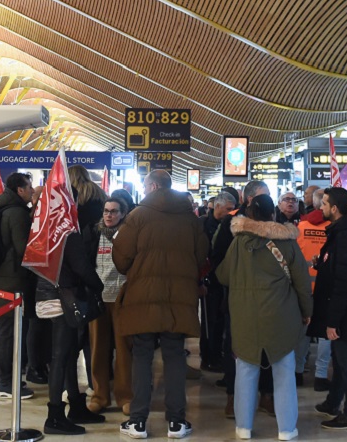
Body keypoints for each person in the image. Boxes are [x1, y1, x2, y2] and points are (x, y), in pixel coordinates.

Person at [113, 170, 209, 440]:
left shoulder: (137, 217)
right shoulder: (190, 219)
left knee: (142, 356)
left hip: (142, 298)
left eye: (145, 187)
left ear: (153, 186)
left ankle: (138, 422)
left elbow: (121, 259)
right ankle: (177, 423)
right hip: (179, 298)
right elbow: (201, 254)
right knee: (175, 356)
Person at [217, 194, 311, 442]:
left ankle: (244, 427)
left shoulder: (238, 243)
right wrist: (307, 311)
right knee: (283, 372)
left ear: (248, 214)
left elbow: (223, 275)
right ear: (273, 214)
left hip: (245, 315)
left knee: (246, 370)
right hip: (281, 314)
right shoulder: (287, 243)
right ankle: (287, 429)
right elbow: (301, 281)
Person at [35, 200, 105, 435]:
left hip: (45, 295)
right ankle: (54, 416)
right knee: (62, 356)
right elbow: (82, 268)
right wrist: (98, 286)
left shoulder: (42, 230)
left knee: (66, 353)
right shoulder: (68, 233)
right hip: (64, 297)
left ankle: (75, 405)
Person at [309, 187, 347, 431]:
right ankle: (333, 402)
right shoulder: (343, 232)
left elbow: (345, 280)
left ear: (334, 208)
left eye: (324, 203)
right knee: (340, 357)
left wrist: (333, 320)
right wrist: (323, 263)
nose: (321, 207)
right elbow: (339, 268)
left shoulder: (346, 235)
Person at [0, 172, 37, 399]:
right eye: (29, 186)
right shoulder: (17, 213)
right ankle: (5, 383)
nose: (31, 189)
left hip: (0, 277)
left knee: (5, 330)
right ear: (19, 190)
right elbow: (22, 250)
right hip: (13, 280)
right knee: (8, 331)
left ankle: (5, 379)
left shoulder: (0, 208)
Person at [88, 196, 131, 415]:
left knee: (124, 350)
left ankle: (125, 396)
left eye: (114, 211)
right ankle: (100, 395)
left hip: (122, 299)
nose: (109, 215)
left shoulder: (129, 235)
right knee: (98, 349)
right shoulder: (93, 234)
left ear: (123, 214)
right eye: (106, 211)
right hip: (98, 298)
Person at [296, 188, 332, 391]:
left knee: (303, 332)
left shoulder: (300, 227)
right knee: (326, 333)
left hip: (303, 289)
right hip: (326, 289)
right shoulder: (333, 228)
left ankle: (298, 372)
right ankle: (320, 375)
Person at [200, 190, 237, 374]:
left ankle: (218, 354)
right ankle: (208, 357)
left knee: (221, 321)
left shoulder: (230, 225)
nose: (232, 212)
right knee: (210, 320)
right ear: (218, 206)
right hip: (209, 279)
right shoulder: (203, 225)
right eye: (229, 208)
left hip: (225, 279)